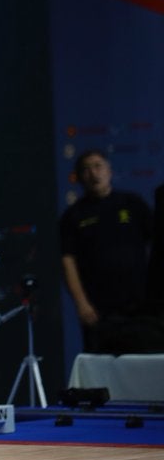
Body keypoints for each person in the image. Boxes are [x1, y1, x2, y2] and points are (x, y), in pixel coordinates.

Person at [59, 150, 158, 353]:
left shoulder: (132, 203)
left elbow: (157, 244)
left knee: (144, 359)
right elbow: (68, 261)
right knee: (101, 366)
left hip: (141, 306)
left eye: (98, 166)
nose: (93, 173)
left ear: (109, 171)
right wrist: (81, 304)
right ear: (78, 177)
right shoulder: (73, 216)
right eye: (86, 169)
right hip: (98, 310)